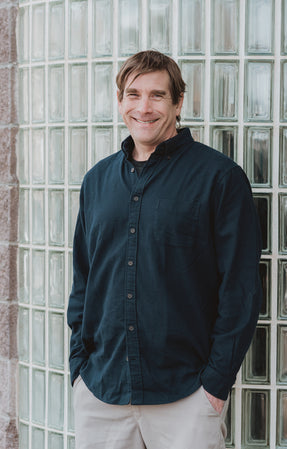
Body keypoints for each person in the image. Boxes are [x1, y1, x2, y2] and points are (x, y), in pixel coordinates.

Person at [67, 50, 262, 449]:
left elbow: (241, 290)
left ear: (178, 104)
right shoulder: (97, 181)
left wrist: (214, 386)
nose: (144, 107)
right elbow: (84, 281)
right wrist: (79, 369)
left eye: (157, 95)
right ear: (120, 101)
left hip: (186, 397)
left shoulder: (220, 179)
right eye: (133, 94)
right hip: (102, 393)